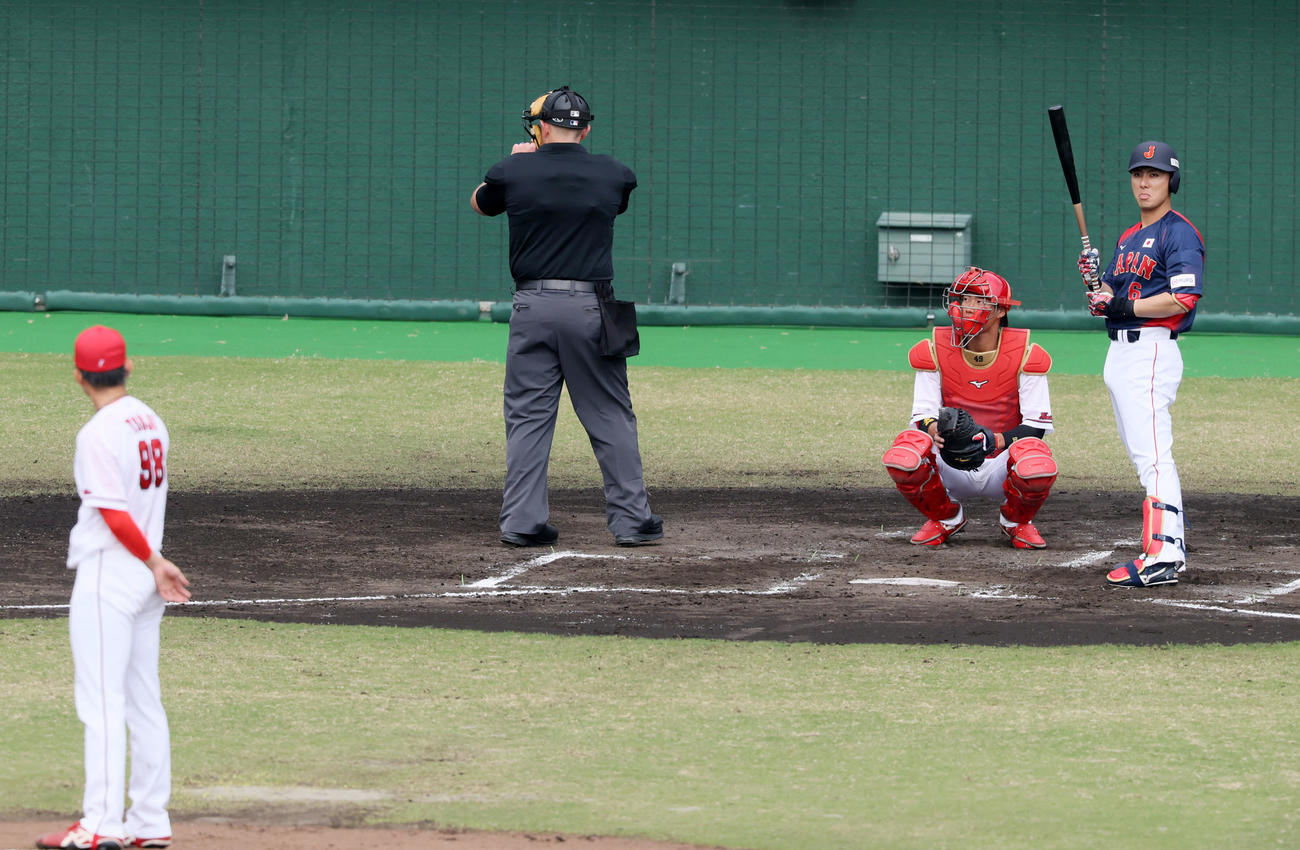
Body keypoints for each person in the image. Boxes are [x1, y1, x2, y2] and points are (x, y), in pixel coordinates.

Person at [470, 85, 662, 547]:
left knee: (528, 417)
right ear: (587, 128)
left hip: (532, 307)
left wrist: (521, 160)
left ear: (539, 127)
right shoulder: (615, 174)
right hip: (590, 307)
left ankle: (522, 521)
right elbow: (610, 200)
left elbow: (482, 202)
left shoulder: (512, 170)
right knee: (609, 414)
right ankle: (632, 522)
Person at [38, 325, 191, 850]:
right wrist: (155, 566)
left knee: (101, 701)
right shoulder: (150, 420)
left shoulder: (97, 433)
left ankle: (101, 824)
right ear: (128, 367)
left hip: (114, 571)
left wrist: (154, 561)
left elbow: (111, 512)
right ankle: (150, 822)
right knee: (143, 698)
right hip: (145, 580)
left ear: (79, 376)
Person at [1078, 140, 1204, 588]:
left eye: (1154, 174)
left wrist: (1124, 305)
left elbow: (1182, 298)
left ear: (1172, 180)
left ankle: (1165, 555)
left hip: (1151, 350)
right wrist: (1096, 282)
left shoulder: (1179, 232)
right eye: (1138, 174)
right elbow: (1108, 298)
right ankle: (1161, 548)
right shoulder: (1128, 238)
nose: (1145, 182)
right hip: (1121, 355)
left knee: (1153, 456)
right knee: (1142, 457)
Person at [881, 267, 1057, 548]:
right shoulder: (934, 348)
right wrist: (935, 428)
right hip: (948, 458)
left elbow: (1036, 426)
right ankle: (945, 517)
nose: (966, 307)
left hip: (1002, 462)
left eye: (978, 300)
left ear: (1000, 311)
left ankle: (1016, 521)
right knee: (905, 451)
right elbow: (922, 415)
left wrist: (994, 440)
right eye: (963, 299)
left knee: (1036, 459)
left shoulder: (1026, 352)